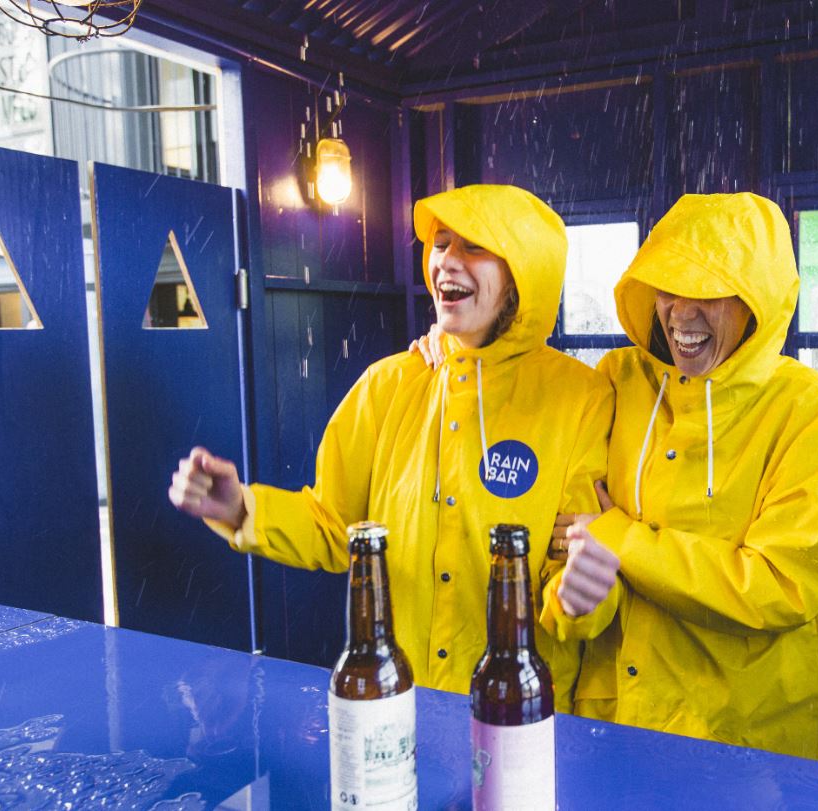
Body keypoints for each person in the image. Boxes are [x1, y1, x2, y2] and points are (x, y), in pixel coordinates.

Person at [168, 184, 618, 711]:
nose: (447, 261)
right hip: (397, 705)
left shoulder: (579, 399)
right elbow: (335, 527)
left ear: (524, 272)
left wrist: (581, 598)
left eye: (474, 246)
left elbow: (576, 564)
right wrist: (242, 509)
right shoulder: (386, 385)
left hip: (518, 713)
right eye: (440, 244)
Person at [550, 193, 818, 759]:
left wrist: (621, 538)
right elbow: (564, 524)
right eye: (668, 288)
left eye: (710, 292)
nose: (682, 314)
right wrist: (446, 352)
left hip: (742, 745)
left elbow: (777, 586)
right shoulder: (619, 379)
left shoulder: (817, 415)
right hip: (613, 726)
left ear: (757, 301)